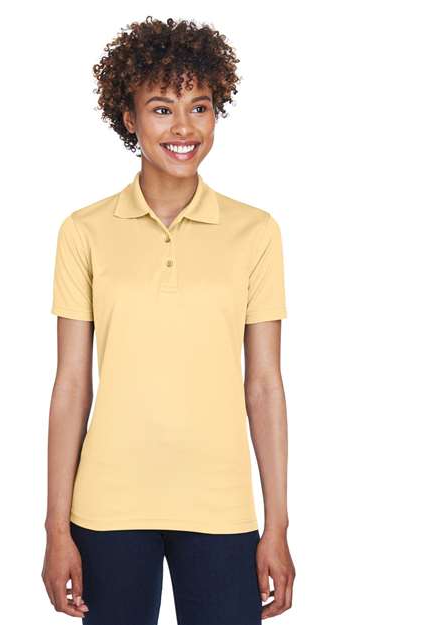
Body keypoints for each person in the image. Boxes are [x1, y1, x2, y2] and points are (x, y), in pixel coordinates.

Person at [42, 16, 295, 625]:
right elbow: (71, 385)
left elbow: (264, 384)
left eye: (199, 107)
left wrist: (278, 525)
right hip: (108, 506)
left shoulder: (255, 232)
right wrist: (55, 529)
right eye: (161, 109)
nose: (184, 128)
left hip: (221, 506)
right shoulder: (84, 231)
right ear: (129, 118)